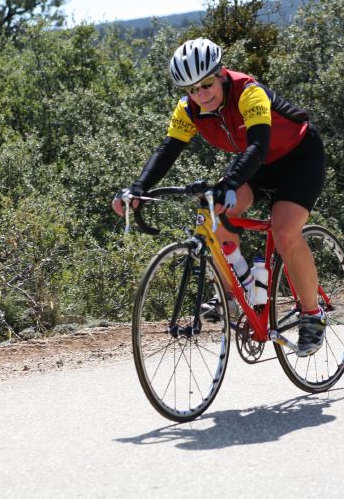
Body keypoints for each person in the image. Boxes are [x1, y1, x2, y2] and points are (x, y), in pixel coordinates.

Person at [112, 38, 327, 356]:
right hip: (257, 164)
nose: (201, 95)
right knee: (212, 210)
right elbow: (168, 149)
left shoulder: (248, 91)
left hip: (298, 157)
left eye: (207, 84)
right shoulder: (190, 109)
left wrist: (233, 181)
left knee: (284, 232)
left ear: (221, 74)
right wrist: (138, 187)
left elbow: (258, 144)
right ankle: (234, 292)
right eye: (192, 90)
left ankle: (312, 316)